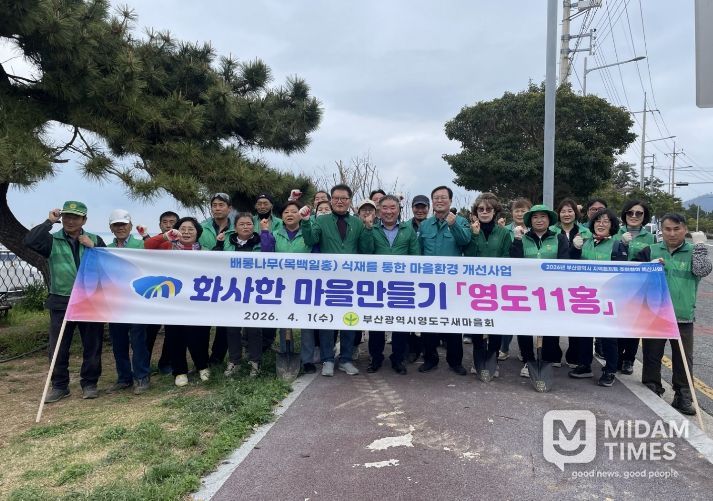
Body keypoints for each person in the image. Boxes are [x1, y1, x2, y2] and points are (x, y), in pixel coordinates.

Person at [24, 201, 106, 402]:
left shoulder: (95, 239)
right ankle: (60, 385)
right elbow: (29, 241)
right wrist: (49, 222)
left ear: (84, 220)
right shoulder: (52, 240)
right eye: (67, 216)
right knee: (58, 346)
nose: (70, 221)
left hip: (90, 300)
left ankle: (90, 383)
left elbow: (109, 263)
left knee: (92, 344)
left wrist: (94, 247)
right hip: (61, 299)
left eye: (75, 217)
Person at [635, 214, 711, 415]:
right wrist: (649, 267)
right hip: (655, 314)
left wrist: (701, 247)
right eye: (667, 229)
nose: (672, 233)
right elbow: (633, 275)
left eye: (677, 229)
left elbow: (702, 270)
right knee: (652, 355)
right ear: (661, 230)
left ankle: (683, 396)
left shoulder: (693, 251)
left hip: (683, 315)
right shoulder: (651, 250)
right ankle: (652, 389)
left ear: (685, 229)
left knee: (683, 358)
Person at [300, 183, 375, 376]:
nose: (340, 201)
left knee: (349, 320)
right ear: (331, 200)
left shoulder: (357, 223)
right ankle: (327, 359)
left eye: (344, 198)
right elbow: (310, 240)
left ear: (349, 201)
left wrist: (368, 229)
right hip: (327, 281)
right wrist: (306, 222)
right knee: (327, 321)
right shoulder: (322, 220)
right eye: (336, 198)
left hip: (351, 281)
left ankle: (346, 359)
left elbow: (366, 250)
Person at [510, 204, 580, 385]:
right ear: (530, 221)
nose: (539, 220)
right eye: (535, 217)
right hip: (526, 291)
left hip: (551, 291)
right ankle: (528, 360)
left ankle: (547, 360)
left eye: (543, 216)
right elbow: (515, 263)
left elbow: (564, 263)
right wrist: (517, 241)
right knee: (525, 327)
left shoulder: (559, 238)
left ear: (549, 220)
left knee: (549, 326)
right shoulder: (522, 238)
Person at [145, 217, 211, 387]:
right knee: (175, 335)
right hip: (173, 300)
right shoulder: (168, 247)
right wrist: (165, 236)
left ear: (198, 233)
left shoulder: (206, 252)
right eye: (183, 229)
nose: (187, 232)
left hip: (198, 301)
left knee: (199, 335)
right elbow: (148, 246)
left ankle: (202, 366)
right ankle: (180, 371)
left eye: (191, 229)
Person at [260, 201, 325, 374]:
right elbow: (266, 253)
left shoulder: (308, 234)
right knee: (285, 322)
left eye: (294, 211)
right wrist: (265, 232)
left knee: (306, 323)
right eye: (286, 212)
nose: (290, 214)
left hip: (305, 284)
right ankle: (286, 352)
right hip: (282, 286)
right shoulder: (275, 234)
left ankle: (307, 359)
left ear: (300, 215)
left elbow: (316, 255)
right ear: (281, 216)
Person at [568, 208, 628, 387]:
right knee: (584, 333)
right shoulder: (584, 242)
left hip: (608, 297)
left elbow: (621, 272)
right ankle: (585, 365)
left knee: (608, 336)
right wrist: (575, 248)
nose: (601, 224)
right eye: (597, 221)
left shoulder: (617, 245)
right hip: (585, 296)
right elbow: (570, 265)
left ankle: (610, 370)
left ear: (612, 225)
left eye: (606, 221)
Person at [418, 186, 471, 375]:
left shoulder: (461, 221)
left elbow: (465, 241)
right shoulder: (425, 225)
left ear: (450, 201)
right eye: (436, 198)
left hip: (452, 283)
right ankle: (430, 359)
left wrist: (453, 224)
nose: (439, 201)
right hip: (428, 283)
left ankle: (455, 361)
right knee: (428, 323)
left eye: (443, 197)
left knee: (453, 323)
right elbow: (418, 252)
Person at [216, 213, 275, 377]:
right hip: (232, 290)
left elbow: (268, 252)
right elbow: (215, 260)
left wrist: (265, 231)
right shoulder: (227, 242)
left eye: (249, 224)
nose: (245, 227)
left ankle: (255, 361)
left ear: (253, 226)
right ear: (235, 227)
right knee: (232, 328)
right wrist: (219, 243)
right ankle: (234, 361)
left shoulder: (261, 240)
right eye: (241, 224)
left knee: (254, 328)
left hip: (255, 290)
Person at [368, 195, 420, 375]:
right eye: (385, 208)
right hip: (376, 285)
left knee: (400, 324)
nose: (389, 211)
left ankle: (398, 359)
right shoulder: (372, 229)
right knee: (376, 324)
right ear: (378, 210)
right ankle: (376, 358)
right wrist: (367, 230)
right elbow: (365, 252)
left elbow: (415, 257)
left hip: (401, 285)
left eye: (393, 208)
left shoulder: (408, 230)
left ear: (399, 210)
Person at [463, 193, 511, 381]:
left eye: (488, 209)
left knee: (495, 325)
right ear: (475, 212)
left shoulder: (503, 233)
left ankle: (493, 358)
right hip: (475, 286)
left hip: (496, 286)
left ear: (494, 211)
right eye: (480, 209)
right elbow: (468, 256)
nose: (484, 212)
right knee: (477, 324)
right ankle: (478, 357)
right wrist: (474, 236)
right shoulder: (471, 231)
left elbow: (507, 257)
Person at [106, 209, 151, 395]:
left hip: (136, 301)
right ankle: (124, 378)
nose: (120, 228)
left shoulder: (141, 245)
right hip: (115, 302)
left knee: (138, 340)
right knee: (118, 342)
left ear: (130, 226)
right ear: (111, 228)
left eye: (123, 224)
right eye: (116, 225)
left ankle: (142, 377)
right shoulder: (106, 248)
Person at [616, 200, 656, 375]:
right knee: (618, 324)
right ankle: (616, 357)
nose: (634, 216)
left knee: (634, 325)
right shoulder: (616, 233)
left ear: (644, 216)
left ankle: (628, 359)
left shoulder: (650, 238)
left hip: (639, 287)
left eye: (638, 213)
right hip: (618, 285)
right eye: (630, 212)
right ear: (624, 214)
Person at [551, 198, 591, 368]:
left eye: (570, 211)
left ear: (576, 213)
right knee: (553, 319)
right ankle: (553, 354)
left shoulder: (586, 232)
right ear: (558, 214)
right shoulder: (551, 231)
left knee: (575, 319)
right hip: (554, 283)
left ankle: (573, 355)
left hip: (578, 283)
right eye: (563, 211)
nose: (566, 214)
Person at [197, 193, 234, 366]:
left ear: (229, 208)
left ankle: (217, 358)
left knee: (225, 322)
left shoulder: (238, 225)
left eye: (221, 205)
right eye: (214, 205)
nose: (217, 208)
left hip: (229, 280)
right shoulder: (201, 227)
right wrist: (214, 252)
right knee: (203, 322)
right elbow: (196, 247)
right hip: (205, 279)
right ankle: (201, 360)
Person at [145, 210, 179, 375]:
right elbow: (147, 245)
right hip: (156, 291)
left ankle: (166, 362)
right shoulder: (158, 239)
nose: (168, 225)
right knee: (150, 330)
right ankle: (144, 363)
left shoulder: (183, 241)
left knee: (172, 331)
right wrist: (165, 237)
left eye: (172, 222)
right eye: (165, 222)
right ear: (160, 225)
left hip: (177, 292)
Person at [498, 197, 532, 361]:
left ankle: (525, 352)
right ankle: (503, 348)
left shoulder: (534, 230)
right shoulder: (504, 230)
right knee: (507, 316)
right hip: (509, 279)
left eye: (523, 211)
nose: (519, 214)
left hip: (529, 280)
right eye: (516, 211)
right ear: (511, 213)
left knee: (525, 318)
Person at [406, 195, 430, 363]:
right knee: (410, 315)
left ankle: (426, 349)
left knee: (426, 315)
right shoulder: (405, 226)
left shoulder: (432, 225)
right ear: (412, 208)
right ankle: (412, 349)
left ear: (428, 208)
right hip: (409, 276)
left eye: (423, 207)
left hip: (428, 276)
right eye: (417, 207)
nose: (420, 210)